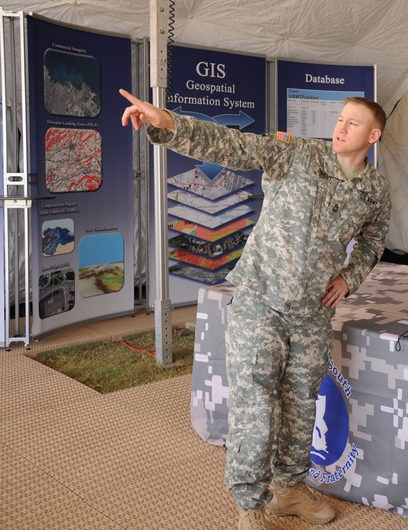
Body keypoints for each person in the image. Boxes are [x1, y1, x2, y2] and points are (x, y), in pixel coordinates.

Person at [119, 89, 390, 530]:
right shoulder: (299, 155)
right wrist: (167, 122)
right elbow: (234, 146)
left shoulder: (374, 187)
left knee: (302, 404)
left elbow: (375, 239)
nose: (340, 128)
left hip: (312, 313)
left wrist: (349, 278)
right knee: (256, 404)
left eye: (352, 123)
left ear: (373, 135)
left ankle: (290, 490)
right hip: (261, 300)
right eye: (340, 119)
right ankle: (249, 505)